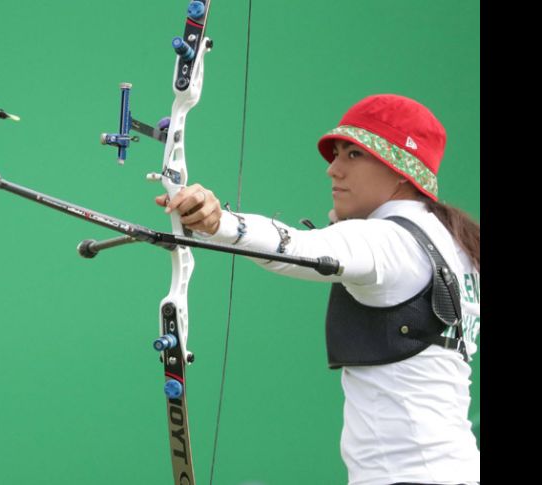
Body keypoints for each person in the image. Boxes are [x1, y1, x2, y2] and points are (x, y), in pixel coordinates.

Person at [157, 94, 480, 485]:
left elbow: (298, 249)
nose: (333, 169)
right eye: (336, 154)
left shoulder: (390, 241)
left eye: (354, 155)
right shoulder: (451, 242)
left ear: (401, 170)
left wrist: (219, 222)